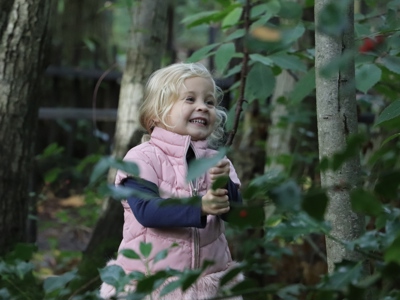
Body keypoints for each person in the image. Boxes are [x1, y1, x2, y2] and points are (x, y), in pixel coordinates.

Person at [100, 62, 243, 299]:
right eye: (190, 99)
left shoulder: (216, 160)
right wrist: (201, 207)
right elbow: (146, 211)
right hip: (152, 284)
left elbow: (236, 215)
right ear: (157, 113)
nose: (203, 107)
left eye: (209, 102)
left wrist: (225, 186)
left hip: (209, 284)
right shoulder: (142, 157)